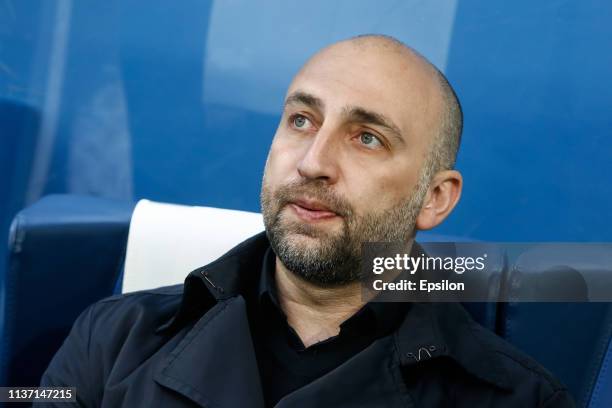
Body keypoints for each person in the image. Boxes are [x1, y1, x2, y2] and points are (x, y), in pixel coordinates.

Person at [39, 35, 574, 407]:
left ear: (434, 198)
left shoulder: (519, 399)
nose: (313, 162)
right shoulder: (110, 341)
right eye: (302, 120)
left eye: (367, 137)